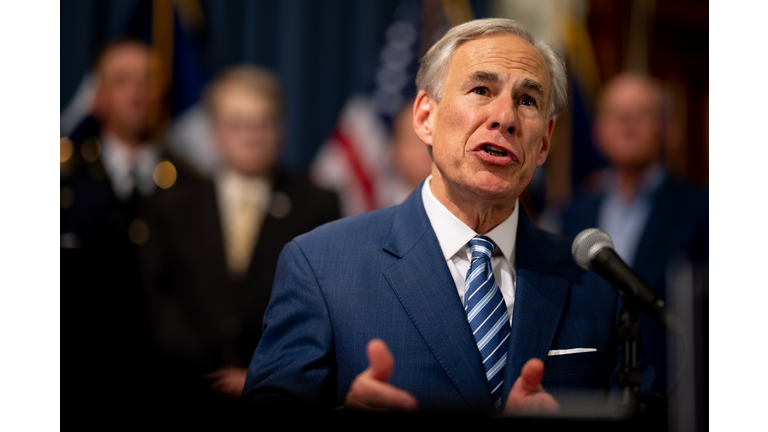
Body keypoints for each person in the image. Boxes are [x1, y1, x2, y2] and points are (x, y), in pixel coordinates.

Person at [241, 18, 655, 415]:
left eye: (527, 101)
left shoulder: (597, 285)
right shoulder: (321, 265)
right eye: (480, 89)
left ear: (544, 142)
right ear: (425, 117)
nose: (505, 118)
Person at [139, 66, 341, 407]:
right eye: (238, 124)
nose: (252, 135)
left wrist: (266, 370)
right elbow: (156, 300)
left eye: (264, 122)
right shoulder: (170, 205)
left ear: (281, 129)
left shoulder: (318, 204)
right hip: (183, 386)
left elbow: (325, 304)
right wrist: (207, 371)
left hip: (278, 391)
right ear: (215, 132)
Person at [559, 73, 708, 392]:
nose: (628, 123)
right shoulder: (574, 212)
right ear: (598, 132)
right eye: (617, 115)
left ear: (669, 131)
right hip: (592, 391)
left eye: (641, 115)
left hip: (675, 391)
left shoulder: (702, 209)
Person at [60, 39, 160, 402]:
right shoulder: (62, 183)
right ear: (98, 96)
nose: (136, 92)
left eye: (146, 80)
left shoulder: (191, 185)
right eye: (122, 80)